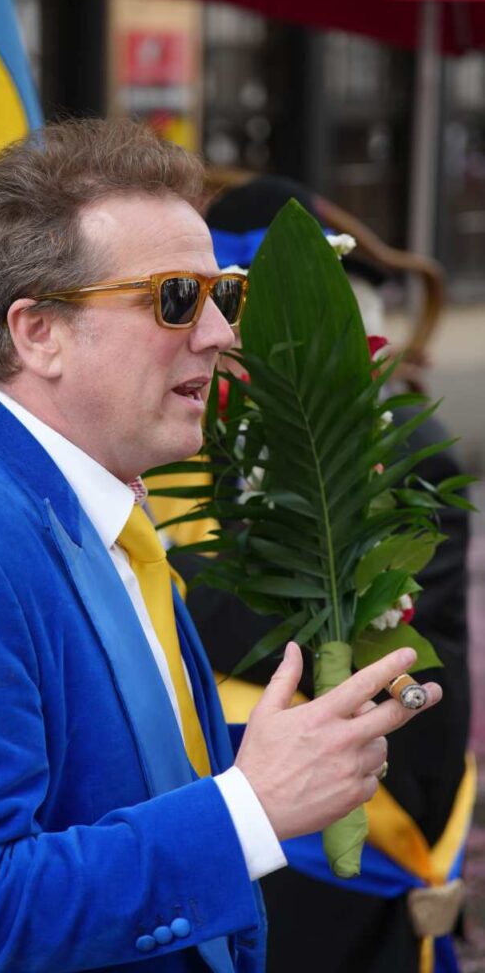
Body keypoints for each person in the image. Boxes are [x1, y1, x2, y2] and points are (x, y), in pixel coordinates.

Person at [0, 119, 441, 973]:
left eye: (223, 295)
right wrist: (248, 809)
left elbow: (112, 785)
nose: (221, 334)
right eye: (175, 298)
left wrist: (274, 776)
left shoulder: (81, 504)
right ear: (39, 332)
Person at [165, 173, 471, 973]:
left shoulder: (396, 445)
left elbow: (390, 636)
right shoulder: (202, 435)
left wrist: (170, 582)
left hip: (367, 812)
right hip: (245, 802)